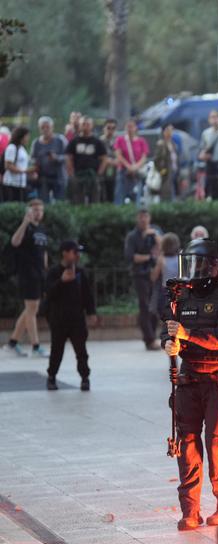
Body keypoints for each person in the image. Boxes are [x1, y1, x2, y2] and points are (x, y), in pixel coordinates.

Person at [163, 239, 218, 531]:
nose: (193, 270)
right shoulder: (181, 296)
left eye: (199, 264)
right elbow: (169, 327)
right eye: (189, 263)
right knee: (186, 443)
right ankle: (190, 511)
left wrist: (187, 335)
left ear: (214, 266)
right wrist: (169, 343)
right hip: (189, 379)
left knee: (216, 443)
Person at [43, 241, 95, 391]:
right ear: (65, 253)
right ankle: (51, 377)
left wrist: (91, 312)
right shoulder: (54, 272)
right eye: (74, 252)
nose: (77, 255)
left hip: (77, 319)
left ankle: (85, 378)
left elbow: (87, 294)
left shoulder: (80, 272)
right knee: (56, 350)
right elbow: (48, 293)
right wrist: (62, 281)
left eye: (79, 252)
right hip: (58, 319)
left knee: (81, 351)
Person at [5, 199, 48, 357]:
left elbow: (44, 252)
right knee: (31, 309)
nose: (38, 213)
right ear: (28, 212)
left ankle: (12, 344)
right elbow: (15, 242)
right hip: (27, 274)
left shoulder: (42, 229)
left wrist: (45, 271)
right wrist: (25, 222)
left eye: (40, 210)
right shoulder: (26, 228)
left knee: (31, 309)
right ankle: (35, 347)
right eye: (35, 210)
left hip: (39, 274)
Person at [123, 208, 161, 350]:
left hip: (155, 274)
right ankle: (149, 339)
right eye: (141, 217)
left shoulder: (156, 231)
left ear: (149, 218)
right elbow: (131, 257)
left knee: (154, 306)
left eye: (145, 217)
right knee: (144, 306)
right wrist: (149, 257)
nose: (143, 220)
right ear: (137, 219)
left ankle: (152, 337)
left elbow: (163, 247)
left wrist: (155, 235)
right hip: (140, 275)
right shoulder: (132, 236)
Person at [65, 117, 108, 204]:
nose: (85, 126)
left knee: (94, 200)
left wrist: (99, 173)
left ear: (92, 126)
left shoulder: (97, 142)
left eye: (88, 124)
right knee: (77, 200)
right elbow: (68, 157)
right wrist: (71, 172)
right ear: (79, 126)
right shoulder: (74, 141)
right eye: (83, 124)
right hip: (78, 174)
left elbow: (104, 158)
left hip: (93, 174)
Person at [30, 117, 67, 202]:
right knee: (43, 202)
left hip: (59, 177)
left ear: (52, 127)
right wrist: (36, 163)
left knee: (59, 202)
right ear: (39, 128)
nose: (45, 129)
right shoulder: (36, 143)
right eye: (42, 127)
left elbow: (68, 157)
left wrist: (56, 158)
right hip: (43, 177)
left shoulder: (60, 140)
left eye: (47, 127)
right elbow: (32, 159)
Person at [114, 118, 149, 205]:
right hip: (123, 171)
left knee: (137, 195)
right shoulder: (120, 140)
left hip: (137, 172)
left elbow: (144, 157)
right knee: (120, 195)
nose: (129, 129)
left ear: (135, 128)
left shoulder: (141, 141)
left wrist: (135, 167)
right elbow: (118, 155)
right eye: (128, 126)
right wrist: (128, 167)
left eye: (131, 126)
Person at [151, 232, 181, 319]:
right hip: (179, 290)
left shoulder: (161, 259)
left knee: (166, 316)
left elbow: (153, 277)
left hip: (166, 291)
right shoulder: (180, 257)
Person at [198, 109, 218, 200]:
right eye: (212, 117)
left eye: (217, 117)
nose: (215, 119)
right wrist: (203, 155)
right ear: (209, 120)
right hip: (211, 164)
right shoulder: (206, 133)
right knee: (212, 189)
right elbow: (201, 149)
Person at [2, 126, 34, 203]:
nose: (28, 138)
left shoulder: (22, 148)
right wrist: (24, 171)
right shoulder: (12, 147)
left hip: (21, 183)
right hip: (11, 183)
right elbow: (8, 165)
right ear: (21, 136)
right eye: (27, 136)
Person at [151, 125, 178, 202]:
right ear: (164, 132)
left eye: (171, 130)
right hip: (165, 172)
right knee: (165, 192)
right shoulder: (161, 144)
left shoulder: (173, 143)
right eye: (168, 130)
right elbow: (156, 159)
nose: (170, 132)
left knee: (173, 191)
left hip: (174, 170)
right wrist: (161, 170)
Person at [100, 119, 118, 204]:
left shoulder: (118, 141)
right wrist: (108, 160)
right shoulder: (99, 141)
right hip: (102, 172)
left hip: (115, 172)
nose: (111, 130)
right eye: (108, 128)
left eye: (113, 128)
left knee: (112, 196)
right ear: (104, 128)